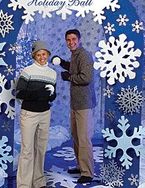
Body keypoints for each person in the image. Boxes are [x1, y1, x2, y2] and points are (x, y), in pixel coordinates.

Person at [52, 29, 96, 184]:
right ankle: (80, 165)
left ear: (79, 39)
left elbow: (86, 77)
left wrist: (69, 77)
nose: (71, 42)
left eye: (73, 39)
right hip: (75, 103)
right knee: (76, 137)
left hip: (84, 104)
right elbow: (74, 67)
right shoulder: (75, 54)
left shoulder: (84, 55)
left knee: (84, 139)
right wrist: (63, 63)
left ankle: (88, 173)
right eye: (68, 40)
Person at [16, 40, 57, 188]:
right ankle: (24, 184)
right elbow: (19, 92)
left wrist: (52, 95)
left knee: (41, 148)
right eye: (38, 54)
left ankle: (38, 180)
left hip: (45, 114)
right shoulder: (27, 71)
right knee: (27, 150)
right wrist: (39, 92)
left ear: (48, 55)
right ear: (34, 56)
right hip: (29, 114)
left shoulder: (52, 74)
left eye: (44, 54)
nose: (42, 57)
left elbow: (52, 95)